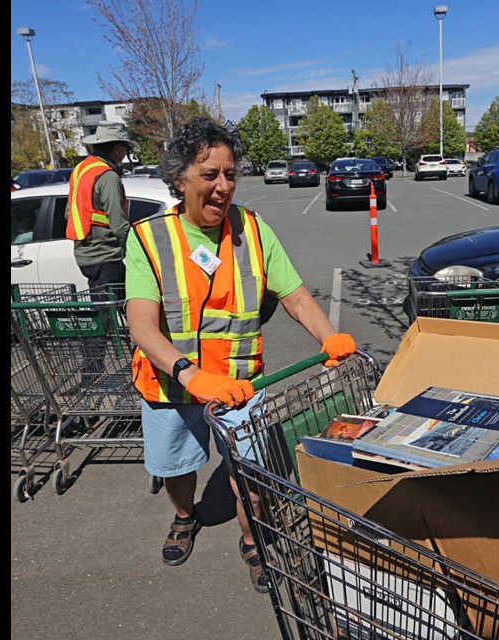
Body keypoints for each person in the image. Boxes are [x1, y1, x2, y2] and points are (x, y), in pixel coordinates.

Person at [125, 116, 357, 593]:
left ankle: (252, 540)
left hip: (241, 383)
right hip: (172, 384)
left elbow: (294, 295)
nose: (223, 186)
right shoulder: (148, 238)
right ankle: (185, 516)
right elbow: (142, 325)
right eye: (209, 175)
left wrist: (328, 335)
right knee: (177, 468)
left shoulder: (252, 229)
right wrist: (190, 374)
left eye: (230, 174)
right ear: (179, 178)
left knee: (249, 471)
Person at [66, 120, 137, 295]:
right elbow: (119, 224)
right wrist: (138, 250)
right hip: (105, 255)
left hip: (87, 254)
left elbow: (69, 212)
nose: (125, 155)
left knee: (113, 309)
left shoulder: (81, 169)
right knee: (112, 314)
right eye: (125, 150)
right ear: (117, 149)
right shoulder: (107, 176)